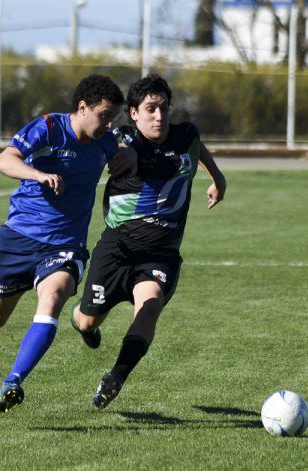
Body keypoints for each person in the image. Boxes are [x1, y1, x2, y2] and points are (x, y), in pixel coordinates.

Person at [0, 74, 135, 413]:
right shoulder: (47, 128)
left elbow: (124, 156)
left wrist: (128, 157)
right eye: (104, 115)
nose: (108, 124)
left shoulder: (104, 141)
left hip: (65, 244)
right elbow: (4, 160)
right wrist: (38, 174)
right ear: (82, 108)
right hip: (19, 237)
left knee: (55, 296)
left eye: (112, 118)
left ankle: (12, 381)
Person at [71, 74, 226, 409]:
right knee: (87, 319)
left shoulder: (185, 134)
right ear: (134, 113)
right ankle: (82, 322)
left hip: (160, 253)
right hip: (118, 248)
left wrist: (217, 177)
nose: (159, 116)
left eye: (164, 108)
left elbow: (196, 147)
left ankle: (117, 376)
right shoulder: (122, 138)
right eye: (151, 109)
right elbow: (112, 144)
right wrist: (123, 155)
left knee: (150, 305)